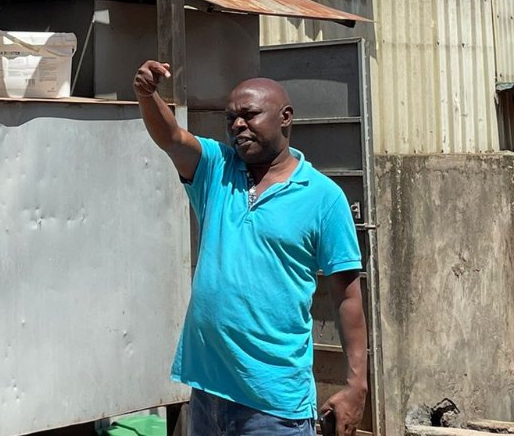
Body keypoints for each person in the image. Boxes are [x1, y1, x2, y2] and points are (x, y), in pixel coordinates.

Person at [133, 59, 368, 436]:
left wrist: (356, 386)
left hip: (273, 405)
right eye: (231, 119)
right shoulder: (216, 170)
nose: (237, 125)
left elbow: (347, 294)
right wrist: (147, 94)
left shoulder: (324, 198)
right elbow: (172, 137)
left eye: (249, 114)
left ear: (285, 117)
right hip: (209, 394)